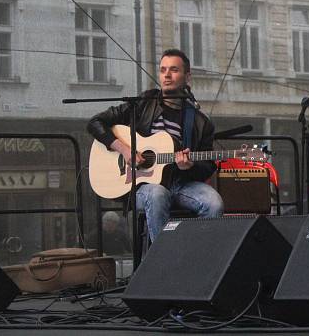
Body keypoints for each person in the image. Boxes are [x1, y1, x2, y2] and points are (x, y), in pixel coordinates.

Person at [87, 48, 223, 243]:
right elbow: (95, 123)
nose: (166, 75)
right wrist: (126, 151)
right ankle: (163, 263)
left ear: (187, 76)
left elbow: (208, 166)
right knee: (158, 193)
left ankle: (196, 259)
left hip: (180, 183)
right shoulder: (143, 103)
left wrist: (190, 166)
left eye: (174, 70)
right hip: (142, 186)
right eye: (163, 69)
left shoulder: (201, 122)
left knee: (214, 203)